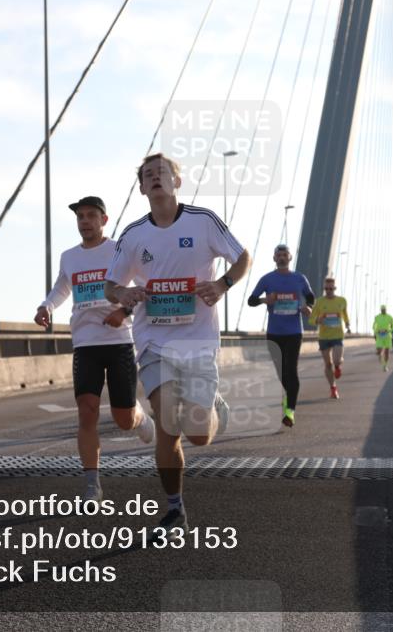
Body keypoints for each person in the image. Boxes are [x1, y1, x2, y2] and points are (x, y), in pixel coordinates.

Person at [105, 153, 251, 535]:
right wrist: (124, 293)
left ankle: (214, 405)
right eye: (148, 175)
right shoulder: (134, 235)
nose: (156, 178)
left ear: (177, 181)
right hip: (154, 342)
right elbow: (110, 284)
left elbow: (242, 257)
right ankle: (174, 509)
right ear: (141, 188)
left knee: (198, 434)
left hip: (199, 342)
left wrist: (222, 285)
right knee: (169, 423)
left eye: (162, 173)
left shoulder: (203, 222)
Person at [35, 196, 155, 504]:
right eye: (80, 217)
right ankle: (92, 484)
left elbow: (143, 288)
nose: (84, 221)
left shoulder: (120, 250)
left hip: (119, 343)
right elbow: (63, 286)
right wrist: (46, 306)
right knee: (86, 412)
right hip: (85, 343)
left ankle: (140, 418)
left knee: (123, 418)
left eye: (91, 216)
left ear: (104, 220)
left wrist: (124, 313)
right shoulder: (69, 257)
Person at [247, 243, 315, 427]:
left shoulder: (299, 278)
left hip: (294, 332)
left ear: (290, 257)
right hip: (274, 333)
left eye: (285, 254)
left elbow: (311, 298)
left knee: (290, 370)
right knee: (281, 373)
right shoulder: (267, 279)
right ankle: (289, 396)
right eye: (279, 255)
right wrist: (264, 300)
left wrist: (308, 307)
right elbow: (251, 301)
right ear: (274, 258)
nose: (282, 257)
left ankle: (290, 411)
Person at [309, 276, 351, 399]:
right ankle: (333, 388)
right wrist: (318, 319)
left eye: (331, 289)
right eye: (326, 289)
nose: (328, 291)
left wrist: (347, 323)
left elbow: (345, 314)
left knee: (337, 361)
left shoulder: (342, 301)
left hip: (337, 335)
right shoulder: (319, 302)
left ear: (335, 288)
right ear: (324, 289)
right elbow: (311, 320)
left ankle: (338, 367)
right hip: (324, 337)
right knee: (328, 364)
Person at [372, 304, 393, 372]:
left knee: (387, 352)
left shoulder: (389, 317)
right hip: (379, 336)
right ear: (380, 310)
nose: (383, 311)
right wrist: (376, 331)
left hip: (387, 336)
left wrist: (389, 330)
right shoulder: (377, 317)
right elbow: (374, 326)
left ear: (386, 310)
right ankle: (380, 355)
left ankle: (385, 366)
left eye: (384, 310)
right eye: (382, 310)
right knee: (379, 350)